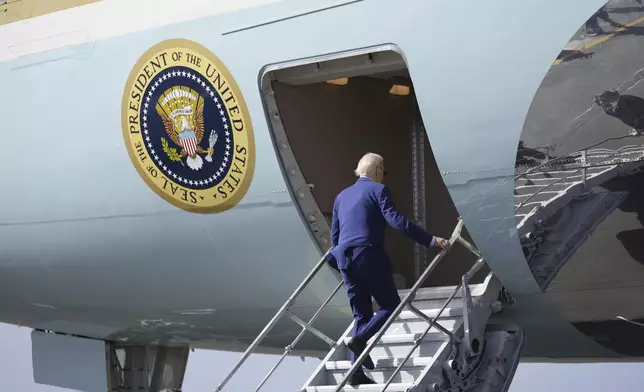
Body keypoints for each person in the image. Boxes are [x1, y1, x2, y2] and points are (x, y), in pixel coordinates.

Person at [325, 152, 450, 386]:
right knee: (390, 305)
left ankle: (355, 371)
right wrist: (431, 240)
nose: (384, 175)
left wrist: (339, 264)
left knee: (361, 314)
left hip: (345, 260)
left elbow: (335, 238)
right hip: (368, 255)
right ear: (378, 169)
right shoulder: (378, 190)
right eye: (384, 171)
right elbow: (397, 222)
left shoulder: (341, 196)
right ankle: (360, 340)